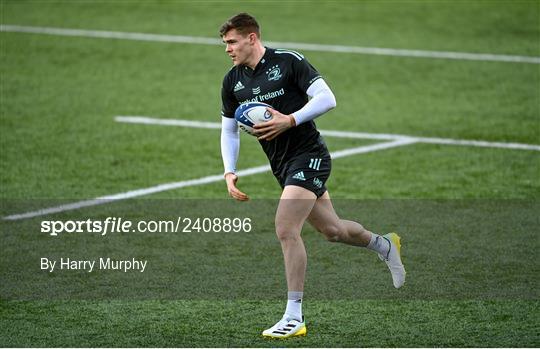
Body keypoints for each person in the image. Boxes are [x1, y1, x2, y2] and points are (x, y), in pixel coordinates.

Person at [219, 13, 406, 339]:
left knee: (285, 227)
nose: (228, 49)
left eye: (232, 42)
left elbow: (327, 99)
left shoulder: (289, 63)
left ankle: (294, 317)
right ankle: (384, 245)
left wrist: (289, 120)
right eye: (225, 43)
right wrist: (229, 171)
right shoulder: (232, 81)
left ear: (252, 38)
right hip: (283, 166)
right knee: (333, 230)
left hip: (310, 157)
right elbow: (229, 129)